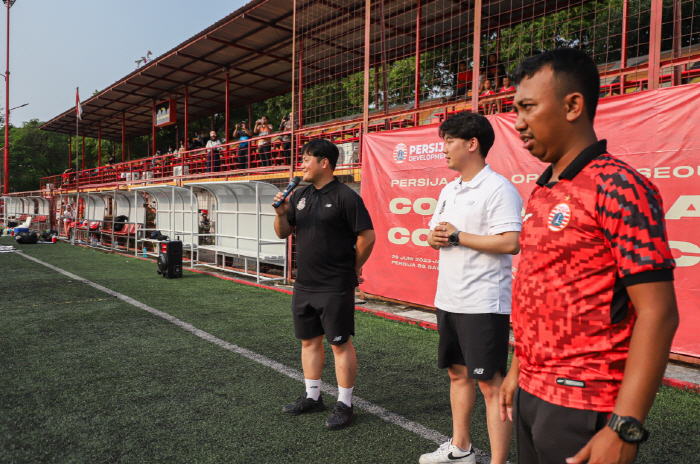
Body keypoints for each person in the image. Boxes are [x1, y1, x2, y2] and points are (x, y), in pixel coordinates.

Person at [499, 48, 678, 464]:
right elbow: (540, 291)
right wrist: (517, 368)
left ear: (573, 105)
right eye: (515, 109)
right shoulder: (543, 188)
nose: (518, 123)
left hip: (584, 402)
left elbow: (659, 314)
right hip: (532, 391)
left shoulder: (619, 186)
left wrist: (625, 426)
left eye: (528, 107)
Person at [420, 112, 522, 464]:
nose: (443, 149)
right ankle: (460, 449)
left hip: (483, 302)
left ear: (472, 143)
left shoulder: (499, 188)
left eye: (449, 141)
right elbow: (438, 234)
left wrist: (458, 237)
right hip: (449, 297)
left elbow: (510, 242)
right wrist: (435, 238)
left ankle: (498, 461)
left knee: (491, 385)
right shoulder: (449, 189)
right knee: (457, 374)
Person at [272, 139, 375, 430]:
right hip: (304, 284)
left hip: (335, 285)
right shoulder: (301, 195)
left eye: (306, 159)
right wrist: (281, 213)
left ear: (324, 163)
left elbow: (367, 237)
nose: (301, 165)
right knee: (308, 341)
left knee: (339, 344)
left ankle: (345, 403)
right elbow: (283, 233)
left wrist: (351, 269)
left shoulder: (345, 196)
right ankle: (313, 396)